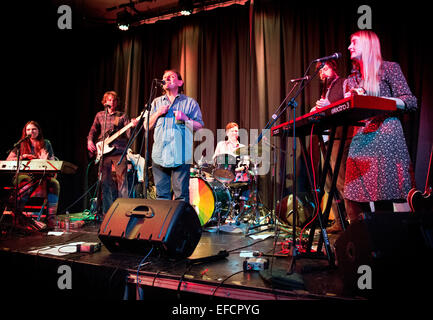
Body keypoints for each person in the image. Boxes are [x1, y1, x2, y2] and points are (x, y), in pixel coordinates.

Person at [343, 30, 417, 222]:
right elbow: (347, 114)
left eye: (354, 42)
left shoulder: (389, 69)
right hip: (360, 138)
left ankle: (385, 244)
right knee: (353, 194)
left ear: (368, 44)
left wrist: (378, 101)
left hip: (386, 134)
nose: (349, 46)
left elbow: (410, 101)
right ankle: (361, 243)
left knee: (384, 195)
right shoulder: (350, 80)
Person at [147, 70, 204, 201]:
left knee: (181, 196)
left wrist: (185, 118)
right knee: (161, 196)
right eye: (164, 77)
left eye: (171, 76)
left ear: (180, 82)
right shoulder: (156, 102)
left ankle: (180, 222)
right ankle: (164, 222)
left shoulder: (190, 103)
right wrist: (157, 114)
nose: (166, 78)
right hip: (160, 154)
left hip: (181, 154)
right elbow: (147, 126)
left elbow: (200, 127)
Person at [311, 60, 351, 233]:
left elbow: (350, 106)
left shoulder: (344, 83)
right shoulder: (324, 91)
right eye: (320, 71)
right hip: (326, 139)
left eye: (325, 68)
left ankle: (354, 222)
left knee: (341, 181)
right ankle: (339, 222)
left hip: (340, 137)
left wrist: (330, 107)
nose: (322, 73)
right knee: (329, 184)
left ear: (334, 68)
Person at [87, 91, 138, 215]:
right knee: (105, 182)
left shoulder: (122, 116)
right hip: (104, 152)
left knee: (122, 180)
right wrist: (89, 141)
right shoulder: (100, 115)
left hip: (119, 151)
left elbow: (129, 136)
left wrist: (133, 126)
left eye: (114, 100)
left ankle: (124, 211)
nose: (112, 102)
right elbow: (93, 130)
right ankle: (107, 212)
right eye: (109, 100)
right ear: (105, 102)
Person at [6, 121, 60, 228]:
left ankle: (51, 219)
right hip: (24, 175)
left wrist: (45, 160)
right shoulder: (21, 143)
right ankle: (17, 217)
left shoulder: (46, 143)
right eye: (28, 130)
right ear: (25, 132)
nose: (31, 132)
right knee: (25, 181)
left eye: (34, 129)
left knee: (54, 183)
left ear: (38, 131)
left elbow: (54, 163)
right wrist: (23, 156)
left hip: (41, 176)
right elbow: (8, 160)